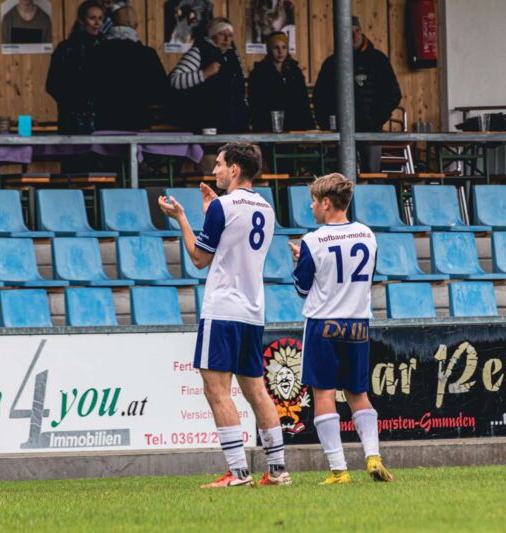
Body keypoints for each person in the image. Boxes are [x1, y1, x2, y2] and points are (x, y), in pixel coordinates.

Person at [158, 142, 291, 489]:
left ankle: (238, 473)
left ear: (234, 169)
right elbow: (235, 241)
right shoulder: (267, 208)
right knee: (256, 391)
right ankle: (277, 470)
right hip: (252, 311)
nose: (214, 170)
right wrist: (211, 215)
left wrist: (182, 219)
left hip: (222, 309)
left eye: (218, 164)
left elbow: (199, 258)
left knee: (216, 390)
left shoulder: (223, 206)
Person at [289, 173, 393, 485]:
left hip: (323, 323)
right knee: (357, 392)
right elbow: (367, 277)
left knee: (323, 394)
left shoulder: (313, 240)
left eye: (313, 201)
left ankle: (339, 470)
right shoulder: (367, 235)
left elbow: (302, 288)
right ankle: (373, 456)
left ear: (326, 203)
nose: (310, 207)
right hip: (358, 322)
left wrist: (301, 260)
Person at [312, 16, 401, 173]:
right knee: (341, 176)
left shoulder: (378, 60)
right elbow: (320, 98)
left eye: (356, 31)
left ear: (361, 32)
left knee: (372, 175)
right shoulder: (332, 64)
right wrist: (327, 125)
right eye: (348, 32)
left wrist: (376, 118)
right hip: (340, 131)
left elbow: (393, 94)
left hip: (370, 130)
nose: (353, 36)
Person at [87, 6, 169, 131]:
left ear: (113, 24)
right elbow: (160, 91)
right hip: (138, 121)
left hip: (104, 121)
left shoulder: (95, 52)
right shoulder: (147, 54)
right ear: (136, 25)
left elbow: (86, 88)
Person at [169, 17, 248, 133]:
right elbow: (175, 80)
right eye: (221, 34)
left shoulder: (233, 55)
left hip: (235, 122)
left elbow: (241, 88)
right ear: (212, 35)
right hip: (207, 122)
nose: (226, 39)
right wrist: (204, 74)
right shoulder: (199, 51)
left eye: (230, 35)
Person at [46, 1, 104, 134]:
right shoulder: (66, 48)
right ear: (82, 20)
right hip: (72, 118)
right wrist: (72, 103)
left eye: (100, 18)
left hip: (101, 118)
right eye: (92, 18)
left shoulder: (106, 47)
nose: (97, 23)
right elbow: (52, 84)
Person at [248, 31, 314, 132]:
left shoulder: (295, 71)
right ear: (269, 49)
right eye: (276, 48)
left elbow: (303, 101)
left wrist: (309, 126)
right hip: (269, 127)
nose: (280, 52)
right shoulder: (259, 73)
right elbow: (256, 105)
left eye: (284, 47)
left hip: (296, 126)